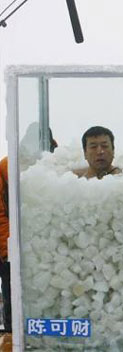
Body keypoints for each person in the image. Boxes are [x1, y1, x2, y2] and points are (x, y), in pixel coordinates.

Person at [0, 131, 57, 334]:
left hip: (43, 249)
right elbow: (1, 214)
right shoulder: (8, 167)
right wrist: (8, 249)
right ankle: (12, 337)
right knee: (12, 297)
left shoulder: (49, 166)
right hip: (12, 248)